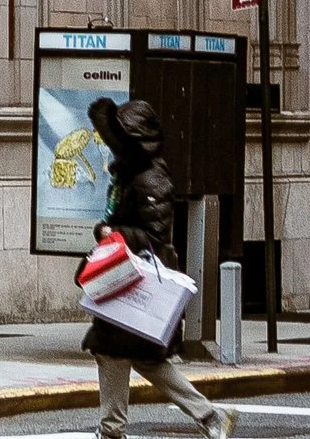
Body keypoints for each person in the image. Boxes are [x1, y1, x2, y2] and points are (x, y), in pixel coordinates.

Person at [82, 95, 237, 439]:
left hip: (137, 277)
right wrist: (108, 230)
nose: (115, 146)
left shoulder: (149, 177)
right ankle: (209, 416)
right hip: (126, 273)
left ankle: (112, 430)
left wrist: (115, 232)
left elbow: (155, 234)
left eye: (122, 139)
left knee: (114, 350)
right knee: (137, 355)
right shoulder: (130, 175)